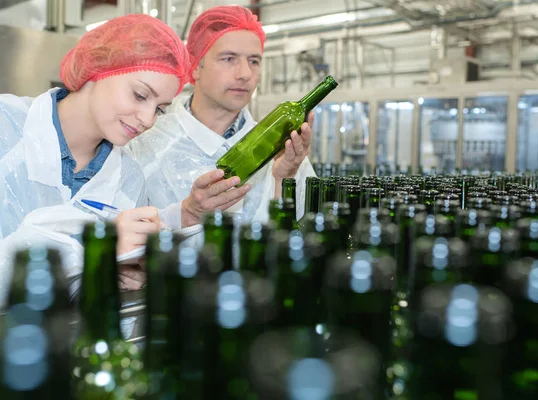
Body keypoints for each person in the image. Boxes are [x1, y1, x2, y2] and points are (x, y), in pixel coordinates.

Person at [0, 14, 189, 305]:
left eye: (160, 109)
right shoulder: (5, 127)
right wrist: (94, 247)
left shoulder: (128, 178)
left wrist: (119, 276)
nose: (148, 119)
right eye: (140, 95)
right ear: (99, 67)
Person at [126, 5, 316, 231]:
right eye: (228, 59)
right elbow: (122, 236)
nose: (245, 74)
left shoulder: (283, 151)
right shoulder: (144, 144)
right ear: (195, 66)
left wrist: (283, 180)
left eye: (254, 61)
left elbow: (306, 235)